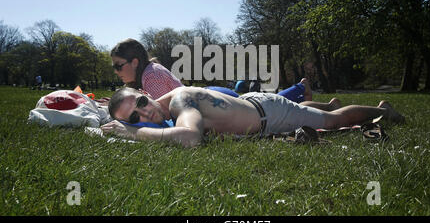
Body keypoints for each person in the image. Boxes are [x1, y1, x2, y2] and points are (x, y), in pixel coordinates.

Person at [101, 86, 405, 148]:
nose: (146, 112)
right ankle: (323, 104)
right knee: (313, 112)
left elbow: (191, 138)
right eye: (136, 118)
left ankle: (383, 110)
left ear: (145, 92)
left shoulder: (179, 101)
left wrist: (133, 133)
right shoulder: (165, 112)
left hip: (269, 114)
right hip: (252, 105)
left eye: (141, 101)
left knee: (334, 121)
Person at [110, 38, 333, 108]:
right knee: (256, 103)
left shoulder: (151, 75)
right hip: (206, 96)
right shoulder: (149, 72)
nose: (116, 71)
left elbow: (159, 109)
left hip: (207, 97)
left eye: (118, 65)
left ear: (135, 62)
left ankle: (300, 89)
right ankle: (299, 91)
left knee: (258, 106)